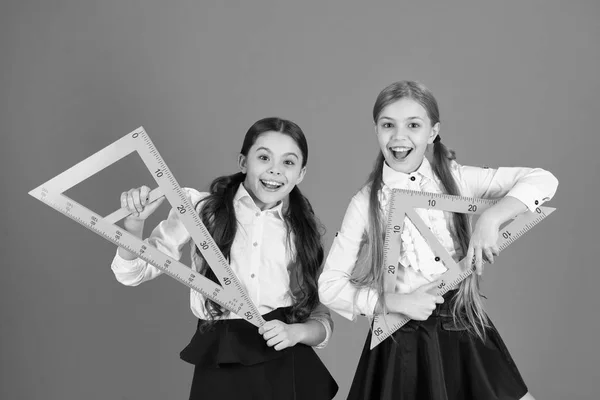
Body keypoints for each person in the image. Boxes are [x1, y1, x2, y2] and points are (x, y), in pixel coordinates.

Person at [318, 80, 558, 400]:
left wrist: (492, 218)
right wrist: (397, 302)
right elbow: (329, 286)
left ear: (432, 132)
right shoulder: (365, 203)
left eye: (413, 125)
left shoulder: (457, 179)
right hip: (401, 339)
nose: (399, 136)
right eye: (388, 125)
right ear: (376, 129)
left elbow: (543, 180)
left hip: (462, 323)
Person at [112, 117, 338, 400]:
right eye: (264, 157)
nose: (275, 171)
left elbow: (321, 320)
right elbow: (131, 273)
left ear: (301, 174)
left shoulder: (304, 231)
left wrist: (296, 334)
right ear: (244, 162)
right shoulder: (200, 210)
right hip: (220, 354)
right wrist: (134, 226)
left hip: (284, 361)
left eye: (288, 163)